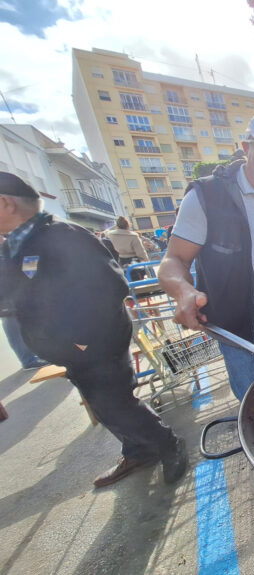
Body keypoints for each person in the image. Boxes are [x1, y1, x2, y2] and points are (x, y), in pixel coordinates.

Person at [158, 113, 254, 534]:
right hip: (237, 332)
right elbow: (173, 262)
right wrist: (184, 293)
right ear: (247, 148)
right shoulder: (207, 196)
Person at [0, 171, 187, 487]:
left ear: (4, 202)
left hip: (96, 345)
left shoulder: (63, 235)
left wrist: (84, 341)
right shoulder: (15, 245)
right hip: (69, 351)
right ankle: (138, 450)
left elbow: (111, 287)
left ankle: (169, 445)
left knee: (117, 403)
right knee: (103, 405)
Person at [107, 216, 149, 281]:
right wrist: (146, 260)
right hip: (134, 262)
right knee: (138, 280)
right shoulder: (133, 236)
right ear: (128, 225)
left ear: (117, 225)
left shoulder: (110, 235)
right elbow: (140, 252)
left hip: (118, 261)